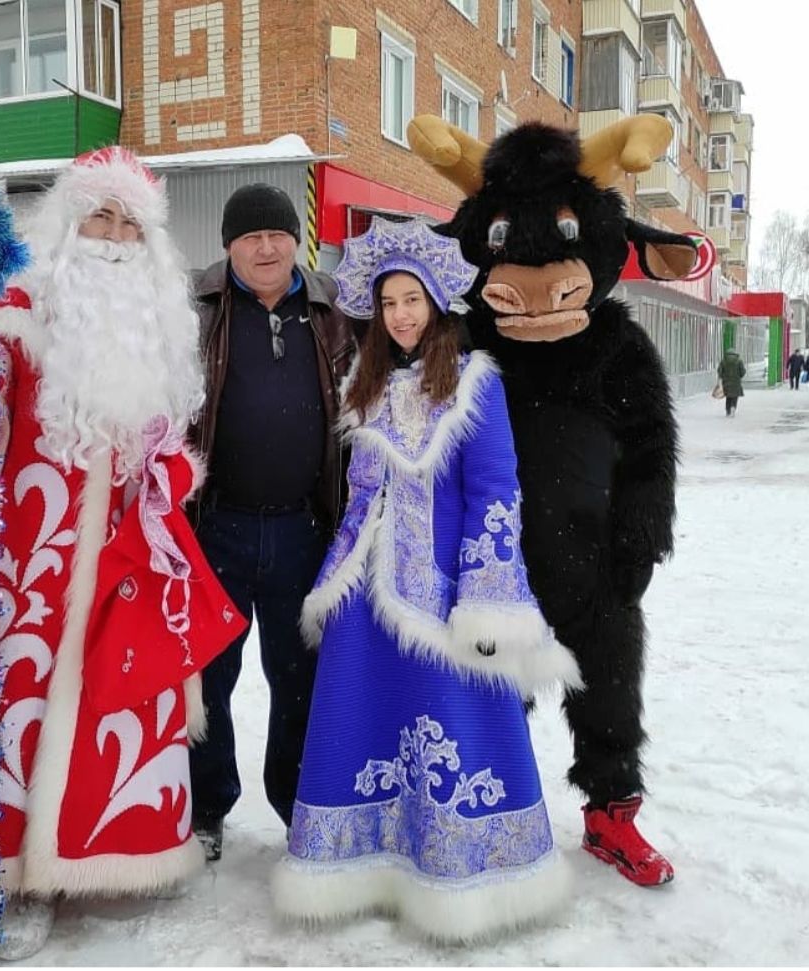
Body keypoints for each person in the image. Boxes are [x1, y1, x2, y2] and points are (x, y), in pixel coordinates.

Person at [0, 147, 247, 961]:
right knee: (18, 717)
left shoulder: (156, 329)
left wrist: (169, 468)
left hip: (121, 559)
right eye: (98, 216)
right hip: (23, 564)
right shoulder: (14, 309)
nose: (112, 235)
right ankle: (14, 876)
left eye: (128, 222)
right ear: (66, 226)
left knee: (114, 705)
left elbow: (156, 444)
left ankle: (93, 856)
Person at [272, 218, 578, 942]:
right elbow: (358, 495)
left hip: (443, 595)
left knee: (457, 723)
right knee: (362, 721)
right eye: (388, 303)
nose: (401, 314)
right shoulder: (365, 384)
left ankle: (463, 870)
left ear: (438, 302)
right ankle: (364, 863)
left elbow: (496, 491)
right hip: (365, 600)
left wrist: (483, 593)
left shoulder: (474, 385)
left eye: (412, 299)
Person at [188, 183, 357, 862]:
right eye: (250, 236)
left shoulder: (335, 309)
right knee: (205, 678)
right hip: (215, 527)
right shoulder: (194, 308)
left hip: (302, 530)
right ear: (229, 244)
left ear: (297, 239)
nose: (266, 247)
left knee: (300, 680)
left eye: (277, 234)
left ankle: (298, 807)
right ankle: (205, 808)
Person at [717, 346, 746, 417]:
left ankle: (727, 411)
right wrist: (739, 376)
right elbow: (743, 371)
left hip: (726, 382)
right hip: (736, 382)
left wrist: (722, 377)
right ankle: (733, 408)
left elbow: (719, 371)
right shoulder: (739, 360)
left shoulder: (724, 360)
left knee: (728, 397)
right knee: (734, 396)